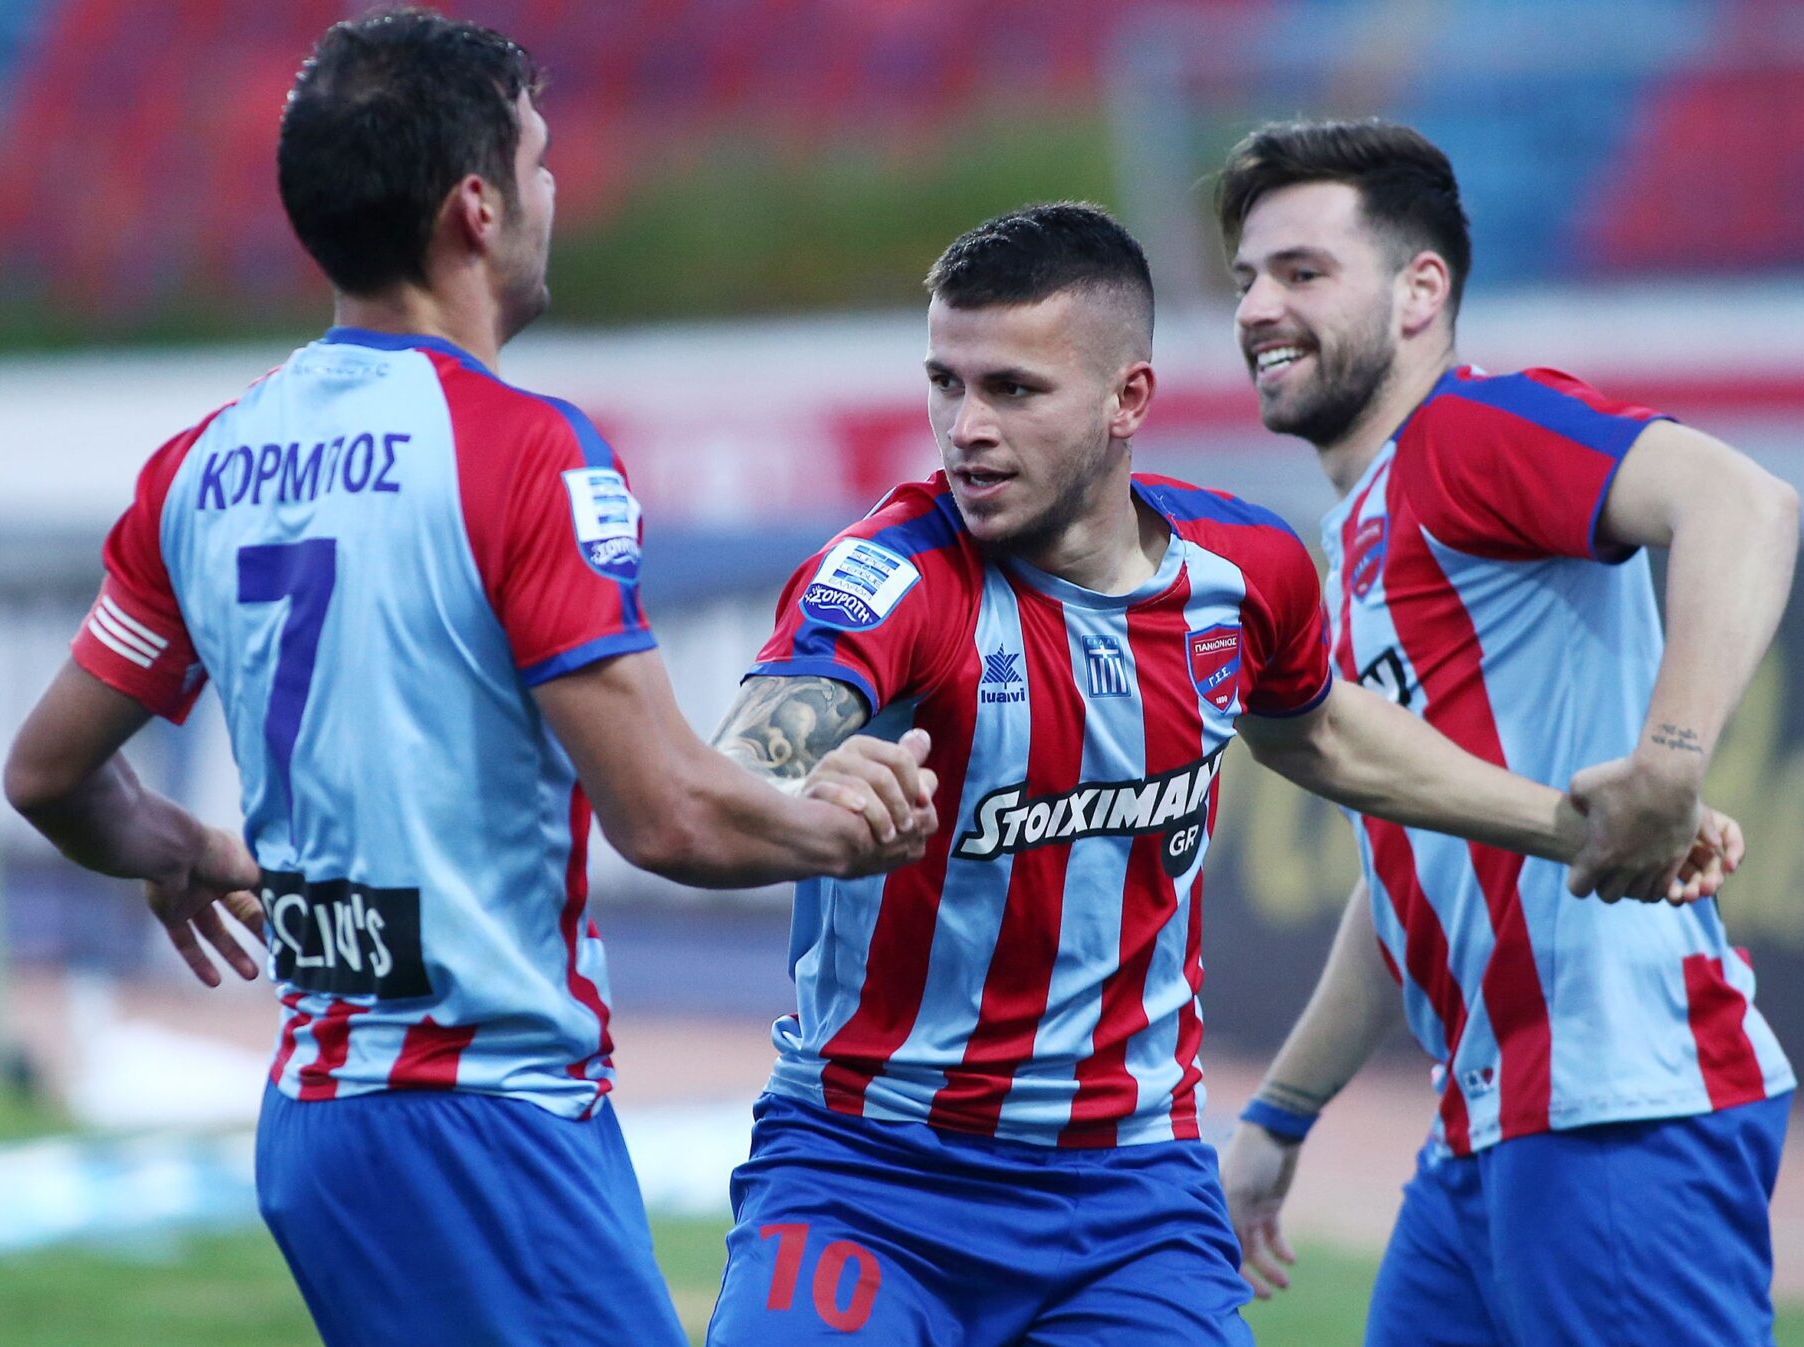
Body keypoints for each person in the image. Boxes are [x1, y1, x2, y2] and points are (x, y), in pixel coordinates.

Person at [0, 11, 938, 1347]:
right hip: (483, 1120)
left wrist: (181, 845)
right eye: (539, 161)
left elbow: (47, 773)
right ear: (478, 209)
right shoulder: (520, 449)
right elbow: (669, 814)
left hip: (317, 1121)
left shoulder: (200, 464)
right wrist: (850, 830)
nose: (554, 192)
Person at [695, 202, 1728, 1346]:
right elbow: (733, 772)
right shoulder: (889, 576)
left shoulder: (1246, 571)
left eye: (1014, 390)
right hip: (869, 1174)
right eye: (947, 383)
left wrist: (1575, 827)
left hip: (1130, 1196)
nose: (967, 429)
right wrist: (804, 805)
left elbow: (1323, 735)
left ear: (1128, 399)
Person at [1213, 119, 1797, 1347]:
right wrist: (1280, 1113)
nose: (1260, 307)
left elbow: (1745, 503)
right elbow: (1408, 877)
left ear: (1420, 291)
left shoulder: (1468, 433)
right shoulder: (1352, 539)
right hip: (1486, 1128)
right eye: (1248, 278)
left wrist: (1670, 764)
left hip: (1615, 1105)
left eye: (1304, 271)